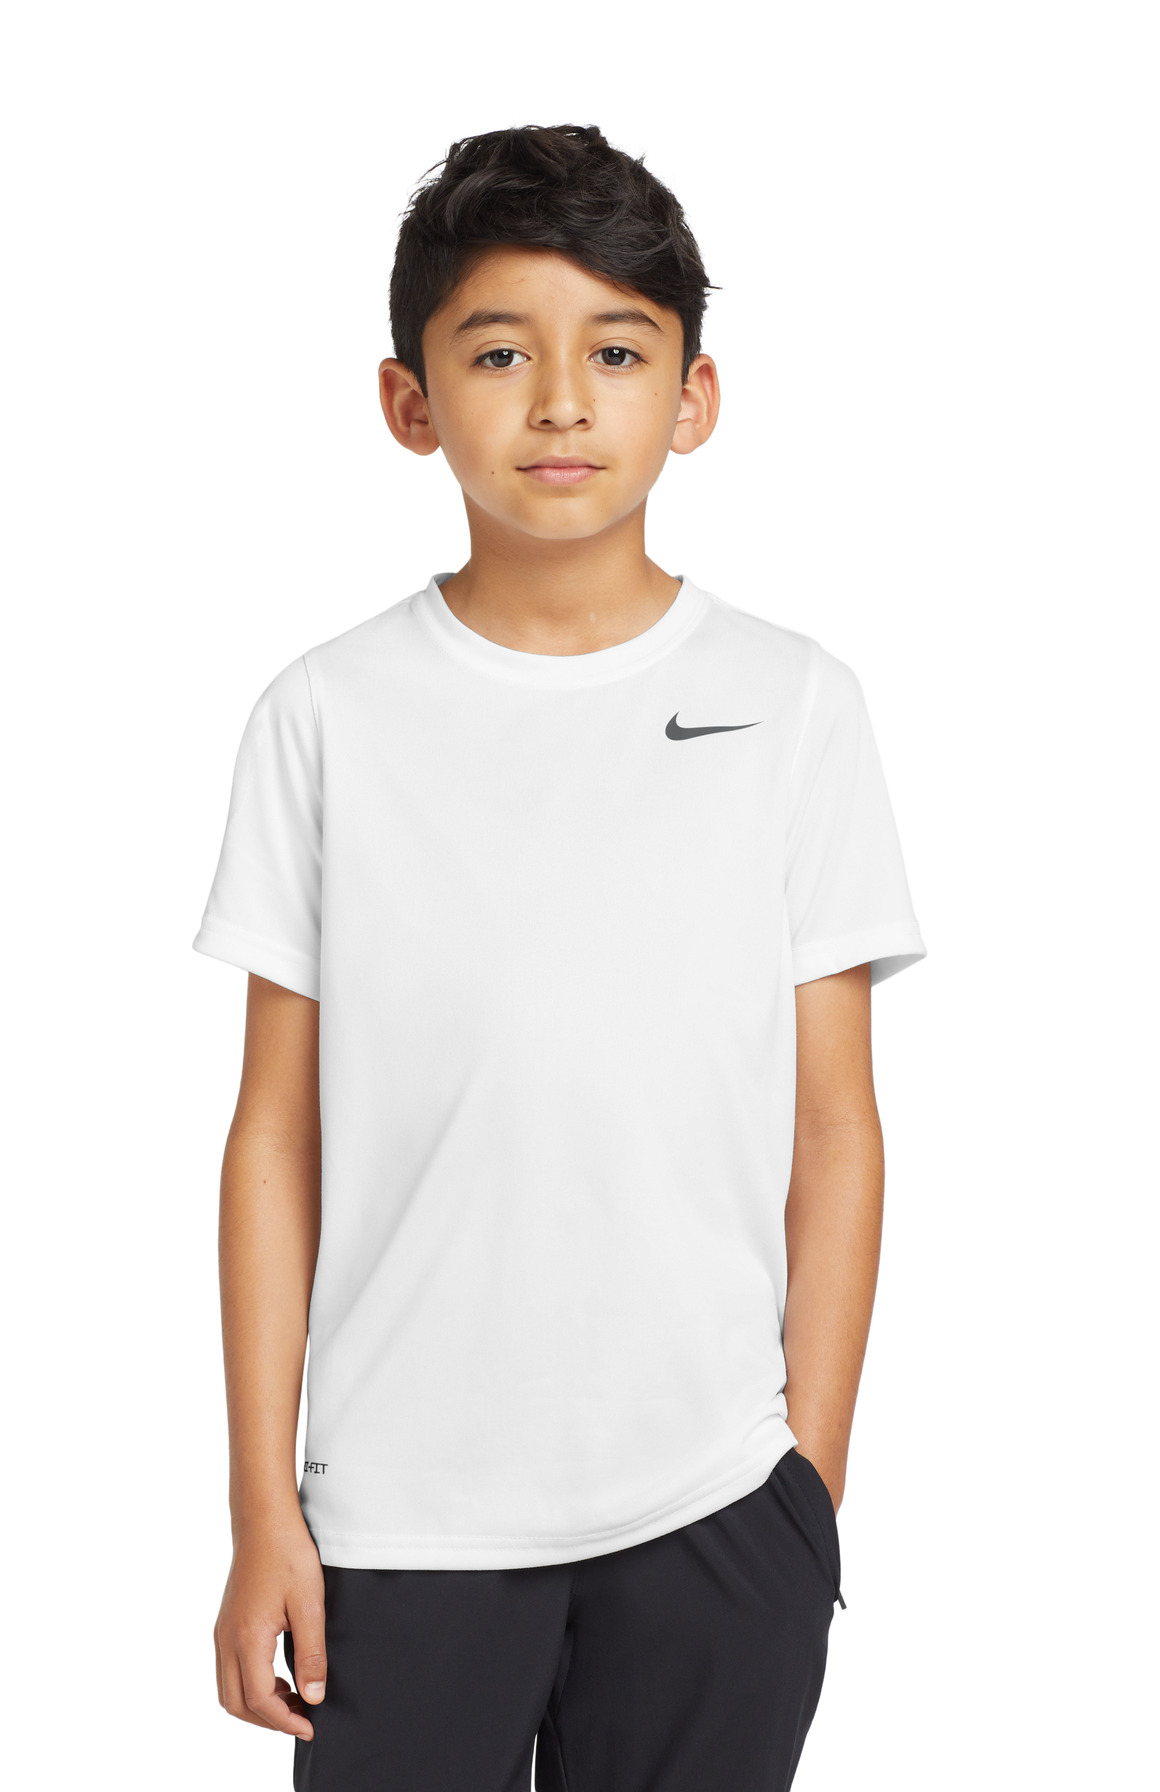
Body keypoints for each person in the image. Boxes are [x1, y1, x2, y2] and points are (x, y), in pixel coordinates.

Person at [192, 121, 926, 1792]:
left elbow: (835, 1126)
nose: (561, 404)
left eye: (616, 351)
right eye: (499, 353)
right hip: (398, 1520)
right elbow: (274, 1137)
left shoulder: (797, 706)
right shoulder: (326, 717)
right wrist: (259, 1512)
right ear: (410, 402)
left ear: (695, 395)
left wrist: (807, 1485)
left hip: (715, 1511)